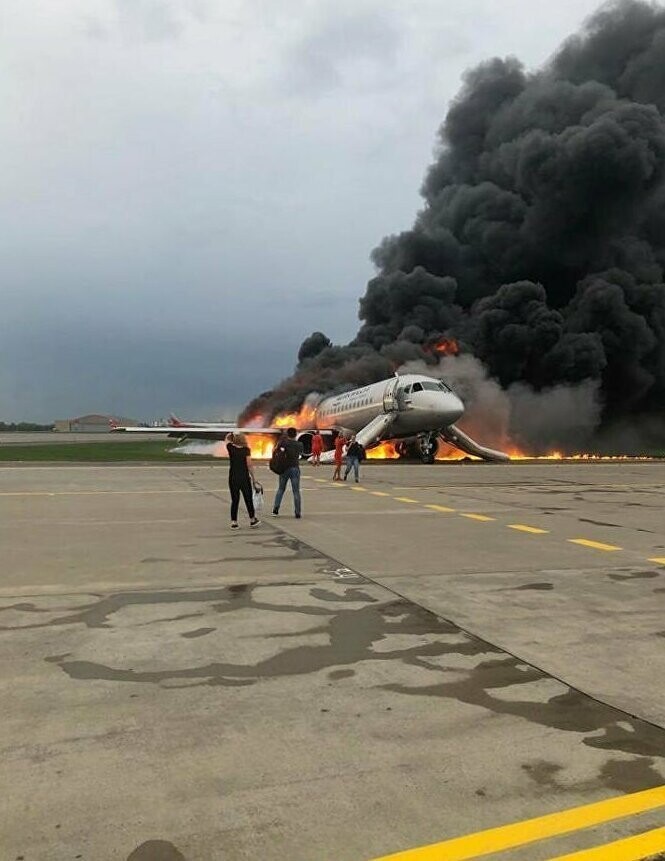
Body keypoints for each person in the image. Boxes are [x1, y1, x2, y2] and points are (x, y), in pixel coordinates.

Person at [226, 432, 261, 529]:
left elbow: (227, 439)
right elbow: (249, 465)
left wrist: (232, 434)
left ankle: (234, 522)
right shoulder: (246, 450)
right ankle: (252, 520)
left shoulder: (231, 448)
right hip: (244, 478)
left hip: (233, 477)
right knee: (248, 499)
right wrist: (254, 479)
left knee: (235, 500)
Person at [272, 427, 304, 518]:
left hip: (284, 468)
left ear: (287, 434)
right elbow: (301, 454)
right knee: (296, 491)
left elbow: (276, 450)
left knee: (281, 489)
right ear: (296, 434)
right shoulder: (299, 444)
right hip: (294, 468)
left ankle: (275, 510)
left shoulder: (283, 443)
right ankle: (297, 512)